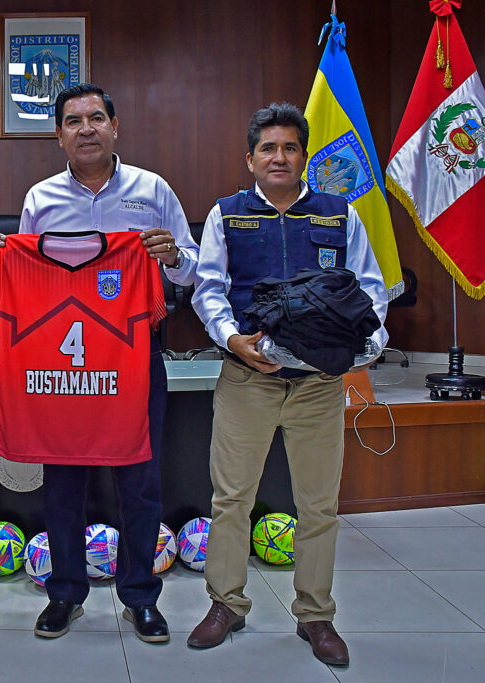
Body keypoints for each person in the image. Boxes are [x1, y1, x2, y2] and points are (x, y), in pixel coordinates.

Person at [188, 102, 388, 666]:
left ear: (304, 156)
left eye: (290, 147)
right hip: (248, 380)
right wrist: (232, 340)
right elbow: (208, 289)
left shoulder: (337, 214)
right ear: (250, 158)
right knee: (231, 500)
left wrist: (363, 347)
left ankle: (315, 615)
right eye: (268, 148)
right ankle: (226, 604)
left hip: (319, 385)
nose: (280, 157)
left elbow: (369, 292)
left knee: (319, 504)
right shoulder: (226, 215)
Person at [9, 83, 200, 642]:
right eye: (73, 121)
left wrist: (172, 258)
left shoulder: (153, 189)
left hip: (136, 355)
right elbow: (27, 280)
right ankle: (65, 594)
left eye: (96, 118)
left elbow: (193, 268)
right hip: (62, 365)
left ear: (115, 126)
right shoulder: (40, 199)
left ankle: (140, 596)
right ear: (59, 135)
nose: (85, 129)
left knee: (139, 480)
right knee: (63, 478)